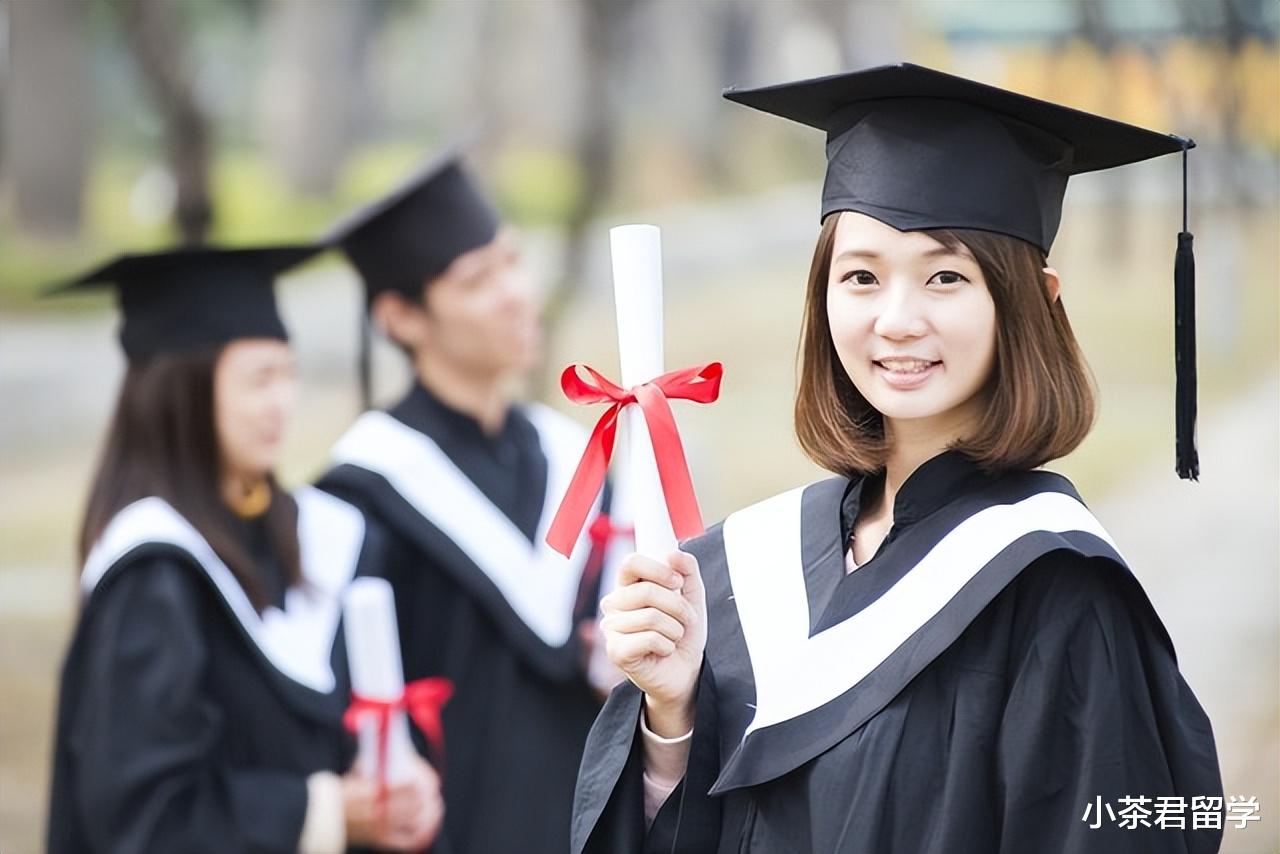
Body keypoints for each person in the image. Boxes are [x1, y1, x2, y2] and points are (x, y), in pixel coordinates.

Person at [572, 63, 1224, 854]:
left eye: (945, 276)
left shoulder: (1055, 593)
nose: (898, 319)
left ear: (1034, 300)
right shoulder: (748, 570)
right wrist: (673, 719)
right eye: (861, 277)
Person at [45, 246, 444, 854]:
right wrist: (328, 812)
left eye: (289, 374)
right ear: (183, 392)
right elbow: (145, 819)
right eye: (259, 379)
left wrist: (402, 778)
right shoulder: (154, 577)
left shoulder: (320, 537)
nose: (283, 401)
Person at [318, 147, 626, 854]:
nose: (517, 292)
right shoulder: (363, 499)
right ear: (400, 317)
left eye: (512, 261)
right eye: (477, 279)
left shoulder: (572, 458)